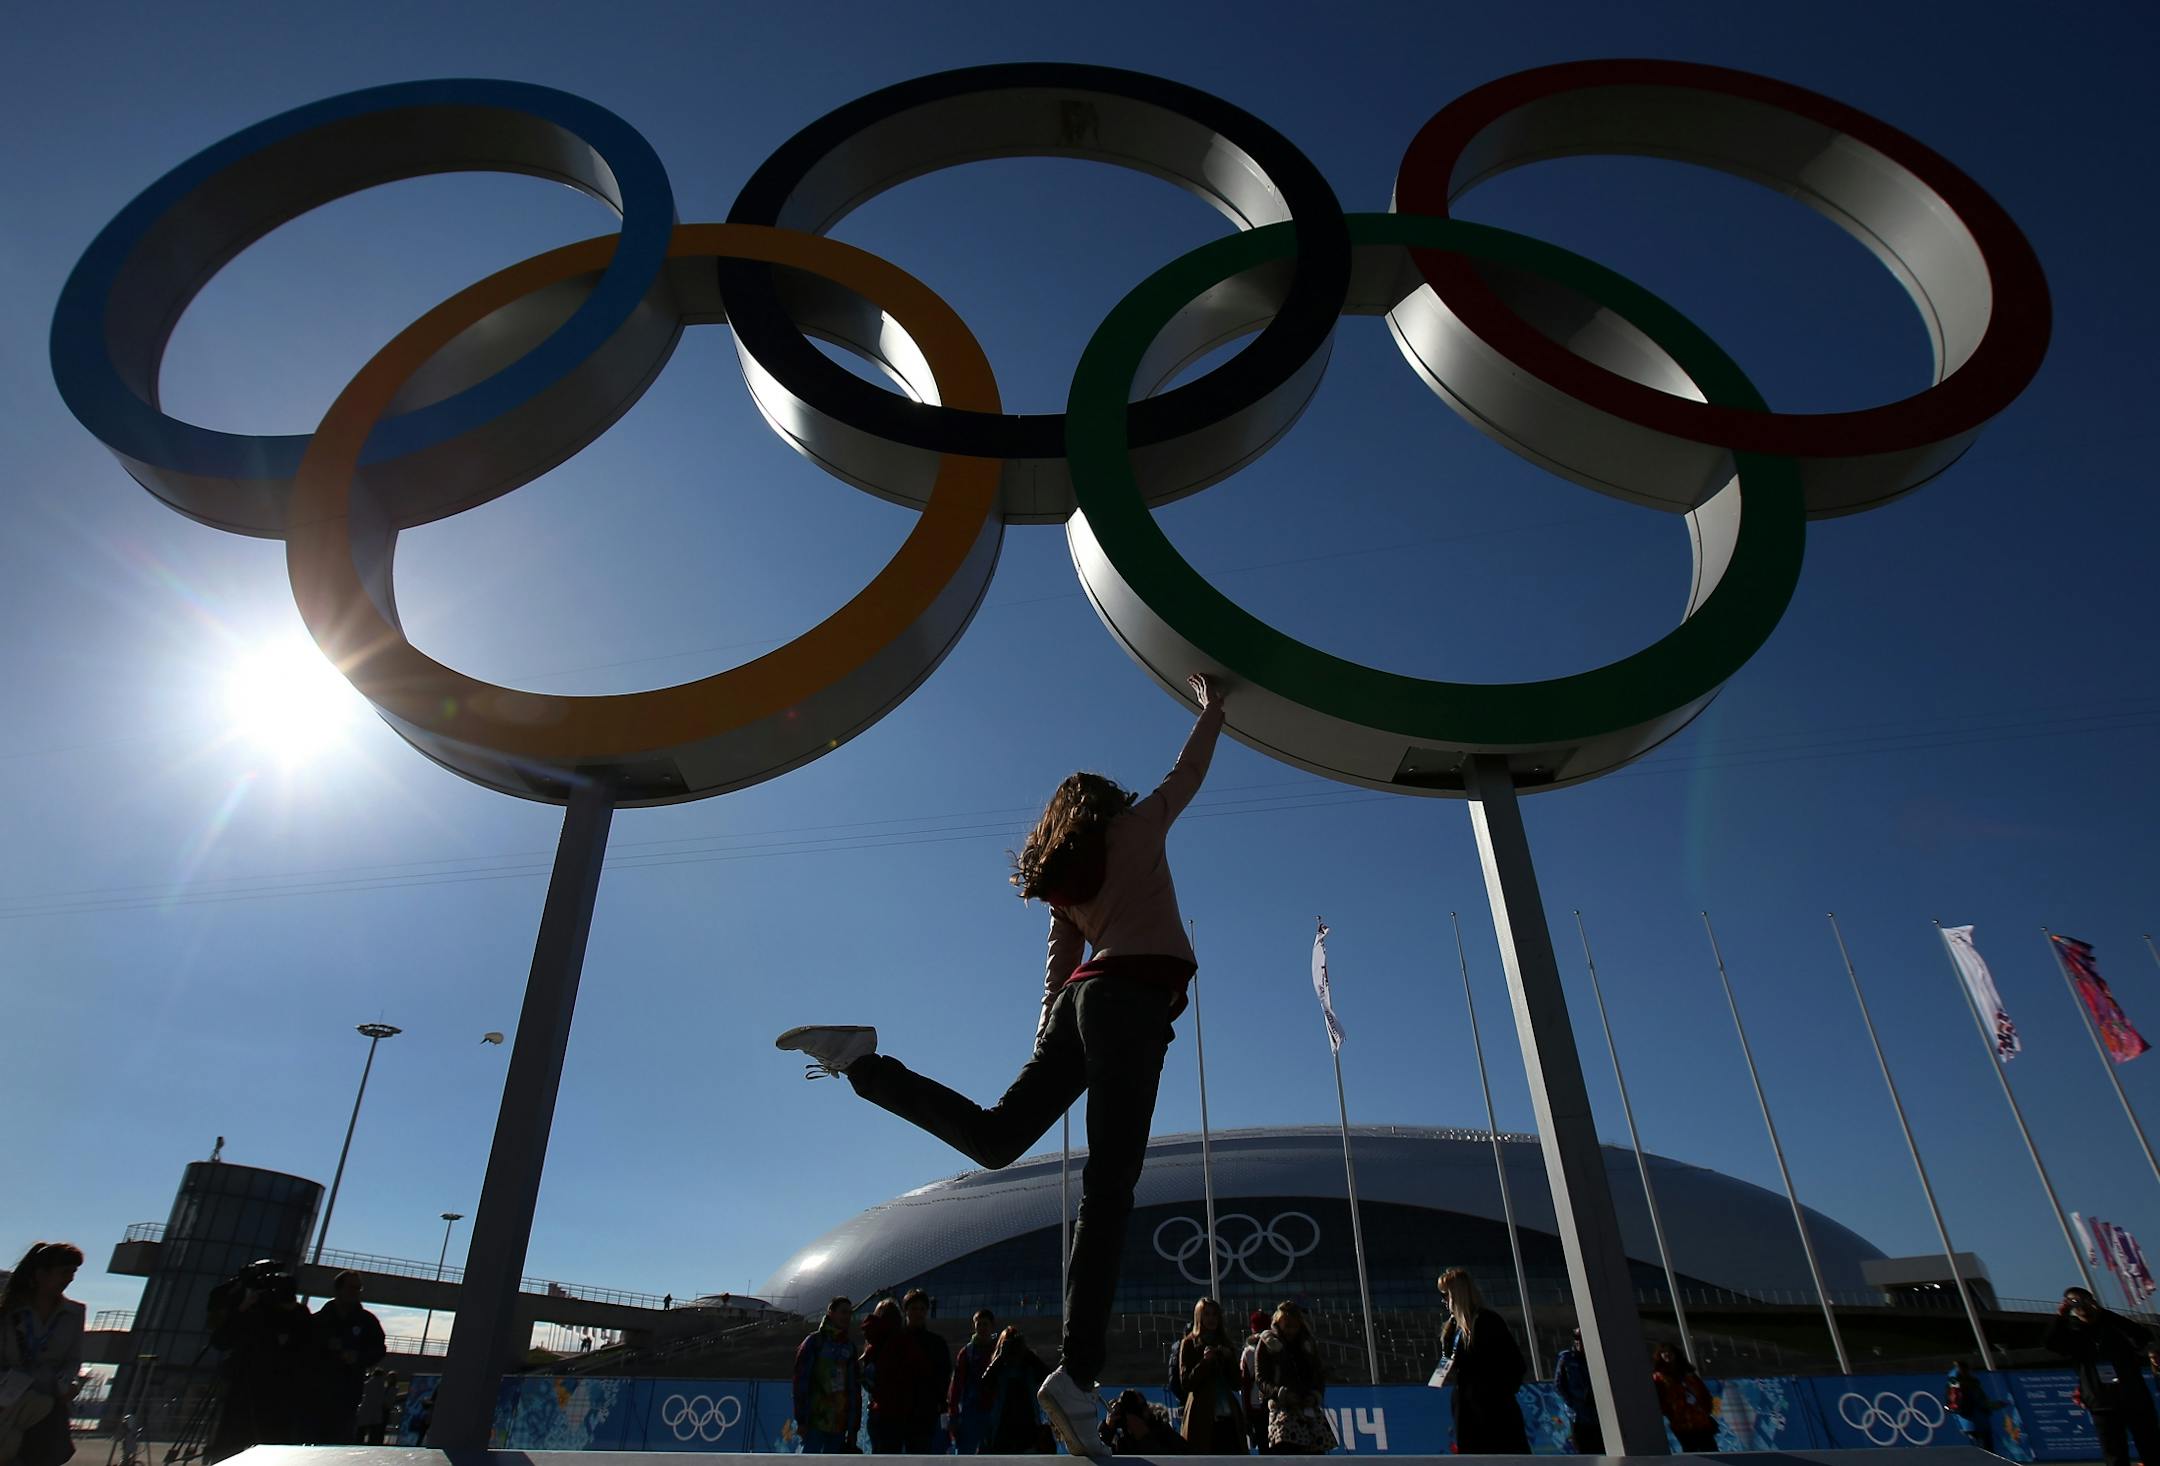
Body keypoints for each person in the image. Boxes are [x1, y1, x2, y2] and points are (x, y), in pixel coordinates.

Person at [777, 675, 1231, 1456]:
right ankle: (1077, 1377)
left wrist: (1049, 1040)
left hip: (1083, 1005)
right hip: (1131, 1004)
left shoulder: (1065, 877)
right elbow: (1185, 774)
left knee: (996, 1139)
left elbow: (1059, 971)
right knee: (1109, 1190)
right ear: (1108, 800)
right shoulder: (1138, 825)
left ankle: (864, 1066)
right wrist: (1212, 708)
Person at [207, 1260, 315, 1461]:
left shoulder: (296, 1315)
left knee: (273, 1449)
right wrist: (243, 1309)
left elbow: (308, 1350)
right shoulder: (253, 1309)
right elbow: (221, 1340)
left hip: (277, 1395)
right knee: (231, 1448)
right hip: (245, 1389)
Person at [2046, 1286, 2159, 1466]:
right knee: (2114, 1454)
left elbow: (2142, 1335)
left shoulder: (2113, 1326)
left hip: (2134, 1397)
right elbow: (2052, 1344)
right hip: (2102, 1402)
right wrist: (2061, 1317)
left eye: (2084, 1300)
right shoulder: (2074, 1333)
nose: (2081, 1305)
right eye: (2074, 1302)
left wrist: (2104, 1313)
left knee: (2151, 1447)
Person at [0, 1241, 86, 1466]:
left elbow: (73, 1358)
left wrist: (68, 1383)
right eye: (64, 1272)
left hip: (50, 1398)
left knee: (48, 1453)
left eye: (73, 1272)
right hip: (9, 1397)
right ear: (40, 1274)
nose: (70, 1278)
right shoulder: (9, 1310)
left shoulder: (74, 1313)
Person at [1432, 1268, 1529, 1455]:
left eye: (1445, 1295)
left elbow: (1515, 1364)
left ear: (1457, 1294)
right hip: (1468, 1412)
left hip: (1492, 1412)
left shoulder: (1486, 1321)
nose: (1443, 1301)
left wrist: (1494, 1394)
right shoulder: (1453, 1328)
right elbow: (1448, 1363)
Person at [309, 1270, 387, 1443]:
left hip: (347, 1395)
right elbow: (303, 1350)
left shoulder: (367, 1321)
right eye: (351, 1287)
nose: (356, 1292)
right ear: (338, 1289)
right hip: (315, 1394)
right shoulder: (319, 1320)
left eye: (359, 1288)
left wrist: (358, 1357)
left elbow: (379, 1349)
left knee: (338, 1444)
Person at [1170, 1297, 1250, 1453]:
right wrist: (1205, 1362)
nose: (1211, 1319)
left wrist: (1229, 1359)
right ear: (1199, 1317)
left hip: (1227, 1415)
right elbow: (1186, 1383)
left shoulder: (1225, 1343)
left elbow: (1236, 1383)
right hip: (1202, 1416)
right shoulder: (1189, 1343)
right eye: (1206, 1314)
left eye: (1214, 1315)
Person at [1255, 1301, 1333, 1454]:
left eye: (1294, 1326)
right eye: (1287, 1325)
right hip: (1281, 1409)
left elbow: (1318, 1374)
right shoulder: (1268, 1343)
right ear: (1278, 1323)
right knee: (1286, 1451)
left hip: (1307, 1406)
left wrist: (1315, 1395)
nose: (1291, 1330)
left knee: (1315, 1453)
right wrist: (1280, 1393)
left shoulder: (1307, 1344)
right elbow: (1261, 1379)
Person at [791, 1296, 862, 1454]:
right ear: (831, 1313)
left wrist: (852, 1427)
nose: (847, 1317)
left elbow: (853, 1389)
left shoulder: (849, 1347)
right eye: (843, 1312)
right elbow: (800, 1382)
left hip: (838, 1424)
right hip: (815, 1422)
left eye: (850, 1313)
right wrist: (802, 1420)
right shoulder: (814, 1342)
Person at [861, 1297, 926, 1454]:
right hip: (902, 1411)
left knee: (881, 1453)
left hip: (879, 1410)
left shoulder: (873, 1342)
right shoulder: (906, 1343)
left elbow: (867, 1377)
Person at [980, 1327, 1048, 1454]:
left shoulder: (1028, 1367)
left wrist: (1027, 1353)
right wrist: (1000, 1357)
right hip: (1003, 1429)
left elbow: (1047, 1376)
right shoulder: (1000, 1369)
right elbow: (985, 1382)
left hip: (1026, 1429)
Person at [901, 1290, 951, 1452]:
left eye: (922, 1309)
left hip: (926, 1411)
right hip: (900, 1410)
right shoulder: (897, 1341)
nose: (918, 1313)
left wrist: (939, 1402)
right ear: (906, 1311)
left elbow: (944, 1376)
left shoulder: (937, 1343)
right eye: (914, 1309)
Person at [948, 1310, 999, 1454]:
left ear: (992, 1327)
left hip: (994, 1411)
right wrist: (953, 1413)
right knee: (966, 1454)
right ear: (974, 1326)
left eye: (985, 1324)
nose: (982, 1328)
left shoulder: (999, 1351)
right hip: (971, 1413)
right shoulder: (967, 1353)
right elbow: (956, 1386)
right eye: (979, 1324)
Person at [1651, 1344, 1718, 1453]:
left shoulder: (1688, 1373)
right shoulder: (1659, 1377)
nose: (1667, 1355)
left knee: (1709, 1448)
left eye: (1669, 1352)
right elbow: (1660, 1397)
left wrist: (1705, 1408)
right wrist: (1668, 1411)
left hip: (1699, 1418)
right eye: (1663, 1352)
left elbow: (1703, 1392)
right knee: (1691, 1451)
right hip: (1679, 1420)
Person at [1553, 1326, 1601, 1455]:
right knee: (1584, 1448)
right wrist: (1571, 1402)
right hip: (1578, 1413)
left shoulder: (1598, 1358)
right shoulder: (1567, 1358)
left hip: (1598, 1412)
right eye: (1577, 1339)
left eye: (1583, 1339)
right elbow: (1559, 1384)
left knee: (1600, 1447)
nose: (1580, 1343)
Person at [1100, 1389, 1187, 1456]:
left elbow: (1184, 1458)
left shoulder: (1162, 1431)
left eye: (1136, 1410)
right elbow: (1096, 1455)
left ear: (1147, 1411)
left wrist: (1145, 1438)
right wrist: (1107, 1429)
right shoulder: (1118, 1438)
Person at [1946, 1359, 1997, 1454]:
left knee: (1980, 1448)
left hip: (1968, 1419)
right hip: (1975, 1418)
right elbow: (1980, 1400)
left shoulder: (1954, 1380)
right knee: (1986, 1448)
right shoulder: (1969, 1382)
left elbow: (1953, 1401)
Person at [356, 1370, 391, 1446]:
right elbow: (383, 1398)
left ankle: (358, 1442)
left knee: (362, 1429)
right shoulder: (381, 1384)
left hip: (365, 1407)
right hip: (376, 1409)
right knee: (374, 1431)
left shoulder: (367, 1383)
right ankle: (372, 1443)